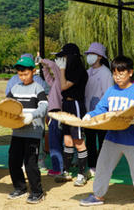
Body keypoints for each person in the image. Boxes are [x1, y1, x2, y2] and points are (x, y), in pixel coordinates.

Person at [79, 56, 134, 210]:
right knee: (102, 165)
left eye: (121, 73)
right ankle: (98, 195)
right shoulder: (110, 91)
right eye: (115, 74)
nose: (118, 77)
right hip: (113, 137)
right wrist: (90, 115)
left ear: (130, 73)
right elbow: (101, 108)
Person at [6, 56, 48, 204]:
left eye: (26, 74)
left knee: (31, 163)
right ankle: (20, 188)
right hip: (17, 131)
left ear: (34, 71)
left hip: (33, 131)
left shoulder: (38, 87)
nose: (23, 77)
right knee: (13, 161)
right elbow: (8, 105)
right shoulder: (15, 88)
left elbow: (44, 106)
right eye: (20, 74)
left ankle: (37, 192)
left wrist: (32, 115)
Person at [53, 43, 89, 187]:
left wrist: (61, 69)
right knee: (67, 141)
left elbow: (63, 86)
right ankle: (66, 172)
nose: (63, 59)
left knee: (79, 142)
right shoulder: (69, 71)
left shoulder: (79, 71)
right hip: (66, 105)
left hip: (76, 106)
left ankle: (81, 174)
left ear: (71, 57)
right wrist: (61, 68)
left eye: (65, 56)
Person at [83, 42, 113, 178]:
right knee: (89, 139)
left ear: (100, 56)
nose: (89, 56)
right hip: (88, 111)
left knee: (102, 140)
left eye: (92, 54)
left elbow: (108, 94)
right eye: (88, 54)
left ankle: (103, 166)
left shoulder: (106, 73)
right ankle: (92, 166)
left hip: (101, 112)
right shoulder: (87, 72)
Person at [40, 57, 64, 176]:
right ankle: (58, 167)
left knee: (55, 143)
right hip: (52, 113)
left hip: (56, 113)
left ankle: (58, 168)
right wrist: (44, 67)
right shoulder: (56, 81)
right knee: (54, 141)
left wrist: (42, 60)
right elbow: (48, 78)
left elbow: (53, 67)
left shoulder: (61, 78)